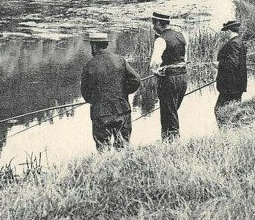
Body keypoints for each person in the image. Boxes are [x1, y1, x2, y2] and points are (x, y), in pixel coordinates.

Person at [80, 32, 141, 151]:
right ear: (106, 45)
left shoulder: (89, 65)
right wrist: (124, 93)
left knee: (103, 150)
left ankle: (107, 169)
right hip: (122, 110)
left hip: (100, 114)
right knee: (123, 147)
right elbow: (136, 80)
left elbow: (85, 92)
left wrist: (95, 100)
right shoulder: (120, 60)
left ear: (94, 46)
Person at [150, 12, 188, 141]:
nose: (153, 27)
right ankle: (169, 140)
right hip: (183, 78)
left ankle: (171, 141)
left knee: (168, 112)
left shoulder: (161, 39)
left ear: (159, 23)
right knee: (173, 110)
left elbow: (154, 62)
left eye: (154, 23)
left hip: (169, 80)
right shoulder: (181, 36)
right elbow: (184, 58)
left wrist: (156, 71)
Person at [214, 20, 247, 122]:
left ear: (229, 31)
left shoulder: (233, 44)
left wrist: (219, 64)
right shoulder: (239, 42)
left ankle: (226, 133)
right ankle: (232, 131)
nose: (224, 33)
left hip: (231, 86)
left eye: (225, 31)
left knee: (219, 110)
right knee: (233, 111)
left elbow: (232, 64)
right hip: (236, 85)